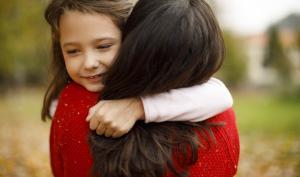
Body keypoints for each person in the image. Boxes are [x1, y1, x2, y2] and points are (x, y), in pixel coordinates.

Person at [42, 0, 239, 176]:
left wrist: (139, 106)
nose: (89, 63)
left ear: (133, 40)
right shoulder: (69, 102)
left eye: (103, 46)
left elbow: (220, 94)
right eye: (73, 51)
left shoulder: (72, 104)